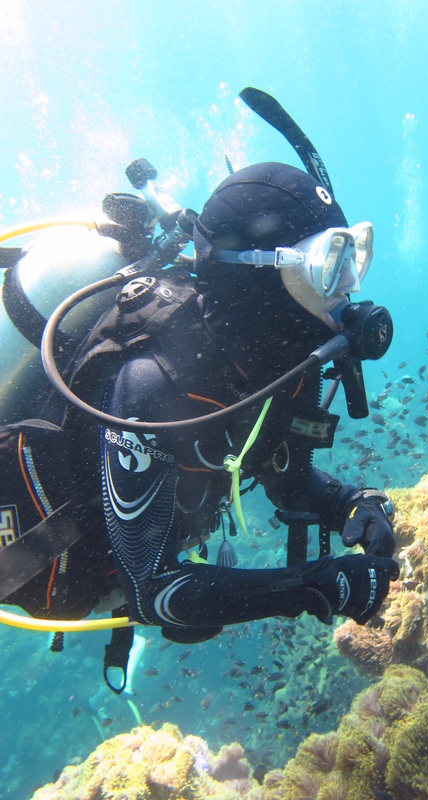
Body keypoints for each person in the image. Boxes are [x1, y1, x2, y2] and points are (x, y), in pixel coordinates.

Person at [66, 161, 399, 645]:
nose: (350, 286)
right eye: (328, 264)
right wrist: (310, 588)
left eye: (354, 257)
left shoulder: (280, 361)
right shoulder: (150, 387)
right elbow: (150, 589)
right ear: (262, 276)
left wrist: (347, 503)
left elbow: (280, 470)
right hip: (60, 556)